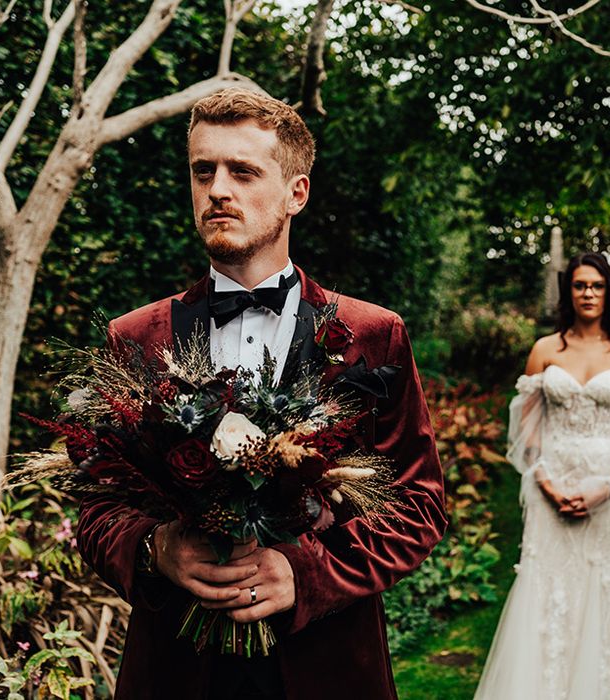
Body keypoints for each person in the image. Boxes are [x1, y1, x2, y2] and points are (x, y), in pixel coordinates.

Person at [75, 89, 447, 700]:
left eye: (243, 171)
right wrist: (156, 549)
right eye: (204, 171)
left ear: (296, 193)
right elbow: (96, 508)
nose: (219, 189)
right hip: (175, 669)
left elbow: (418, 505)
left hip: (327, 666)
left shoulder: (373, 336)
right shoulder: (136, 338)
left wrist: (308, 573)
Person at [474, 252, 610, 699]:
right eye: (579, 286)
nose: (588, 293)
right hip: (549, 490)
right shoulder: (545, 350)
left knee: (604, 591)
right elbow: (528, 428)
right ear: (568, 292)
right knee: (546, 592)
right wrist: (543, 478)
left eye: (596, 285)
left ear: (609, 290)